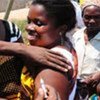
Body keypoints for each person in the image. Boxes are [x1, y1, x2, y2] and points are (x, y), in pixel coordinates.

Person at [0, 0, 78, 99]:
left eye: (39, 23)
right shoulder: (55, 45)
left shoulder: (51, 63)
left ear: (62, 29)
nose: (29, 27)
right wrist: (22, 49)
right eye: (29, 21)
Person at [72, 3, 100, 99]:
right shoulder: (75, 36)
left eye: (97, 17)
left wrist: (98, 76)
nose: (92, 21)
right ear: (82, 18)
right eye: (87, 17)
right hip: (77, 85)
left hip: (96, 86)